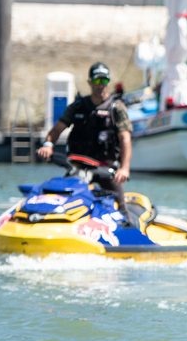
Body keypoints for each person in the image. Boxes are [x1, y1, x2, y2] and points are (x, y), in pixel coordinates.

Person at [36, 62, 133, 222]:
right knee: (61, 198)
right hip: (78, 168)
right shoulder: (78, 106)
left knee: (120, 205)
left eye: (104, 81)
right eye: (96, 81)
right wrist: (48, 145)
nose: (100, 85)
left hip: (106, 169)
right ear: (89, 82)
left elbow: (125, 139)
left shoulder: (116, 108)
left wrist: (124, 168)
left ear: (108, 83)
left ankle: (132, 236)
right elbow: (55, 131)